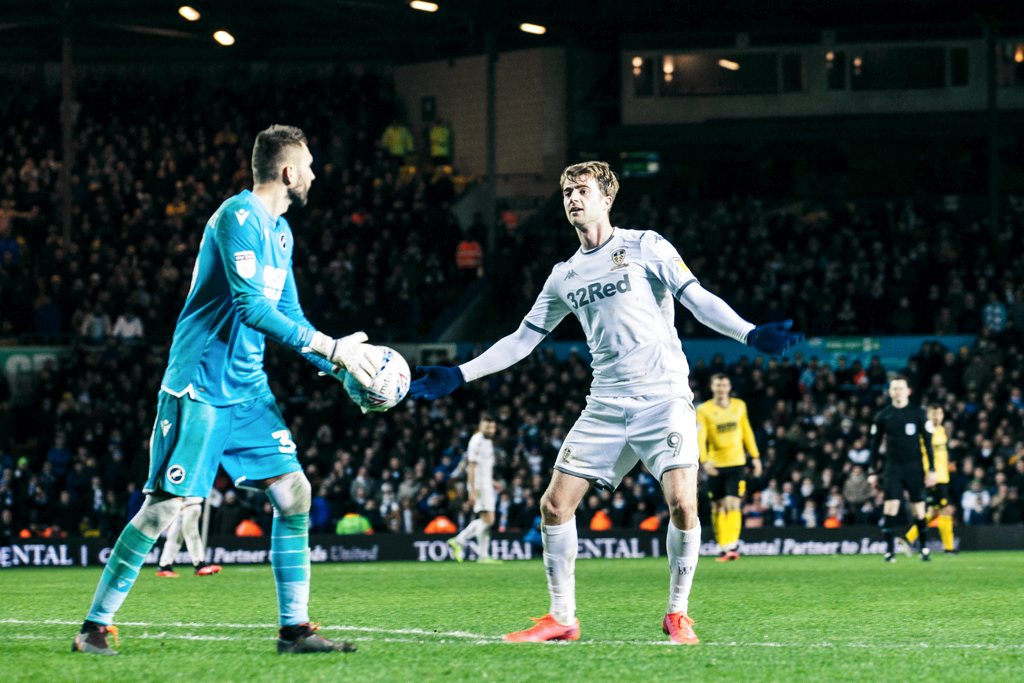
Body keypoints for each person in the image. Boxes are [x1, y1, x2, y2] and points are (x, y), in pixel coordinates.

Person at [409, 161, 801, 645]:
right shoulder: (564, 275)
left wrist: (748, 333)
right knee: (554, 506)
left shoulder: (645, 245)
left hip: (663, 398)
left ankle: (677, 614)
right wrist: (459, 373)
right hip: (606, 404)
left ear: (607, 198)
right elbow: (522, 340)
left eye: (582, 190)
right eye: (567, 192)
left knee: (683, 503)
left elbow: (696, 299)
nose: (573, 198)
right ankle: (562, 618)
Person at [73, 124, 382, 656]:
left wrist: (342, 370)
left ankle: (294, 630)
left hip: (248, 389)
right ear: (288, 171)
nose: (314, 174)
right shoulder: (236, 218)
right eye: (309, 165)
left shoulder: (281, 234)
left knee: (294, 493)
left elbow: (290, 316)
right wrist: (332, 348)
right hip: (199, 385)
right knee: (163, 509)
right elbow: (251, 307)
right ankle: (94, 626)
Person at [867, 376, 936, 563]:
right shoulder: (883, 415)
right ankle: (890, 552)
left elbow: (928, 443)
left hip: (914, 467)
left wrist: (931, 469)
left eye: (900, 388)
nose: (897, 392)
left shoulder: (918, 413)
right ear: (890, 392)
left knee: (919, 509)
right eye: (894, 389)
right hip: (893, 467)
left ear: (908, 391)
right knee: (891, 506)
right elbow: (874, 446)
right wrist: (872, 471)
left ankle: (924, 549)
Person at [696, 373, 762, 562]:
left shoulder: (739, 406)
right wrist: (704, 461)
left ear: (729, 387)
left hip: (737, 463)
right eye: (718, 385)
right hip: (716, 464)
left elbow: (747, 431)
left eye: (724, 385)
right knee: (718, 506)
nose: (721, 388)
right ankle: (723, 545)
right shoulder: (704, 409)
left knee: (733, 503)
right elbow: (701, 435)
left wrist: (755, 457)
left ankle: (732, 545)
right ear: (712, 387)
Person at [898, 404, 956, 554]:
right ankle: (949, 548)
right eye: (933, 414)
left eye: (939, 414)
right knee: (945, 510)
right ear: (928, 415)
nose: (937, 417)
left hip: (943, 476)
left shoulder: (941, 430)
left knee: (933, 513)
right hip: (933, 477)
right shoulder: (925, 430)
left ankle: (907, 538)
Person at [448, 414, 501, 564]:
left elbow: (484, 467)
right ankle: (458, 540)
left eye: (492, 427)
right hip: (479, 486)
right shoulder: (476, 441)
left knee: (485, 520)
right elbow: (471, 467)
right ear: (480, 426)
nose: (490, 430)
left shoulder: (488, 441)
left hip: (486, 484)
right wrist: (472, 490)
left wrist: (492, 482)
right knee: (489, 520)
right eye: (487, 426)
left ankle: (483, 556)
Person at [155, 497, 223, 577]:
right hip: (189, 504)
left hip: (181, 504)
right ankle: (200, 565)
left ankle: (164, 566)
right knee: (191, 534)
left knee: (174, 536)